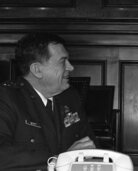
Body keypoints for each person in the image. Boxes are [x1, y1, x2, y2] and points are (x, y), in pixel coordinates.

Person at [0, 33, 97, 170]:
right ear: (37, 70)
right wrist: (60, 160)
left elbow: (90, 144)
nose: (71, 67)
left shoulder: (71, 97)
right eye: (63, 61)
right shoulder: (7, 99)